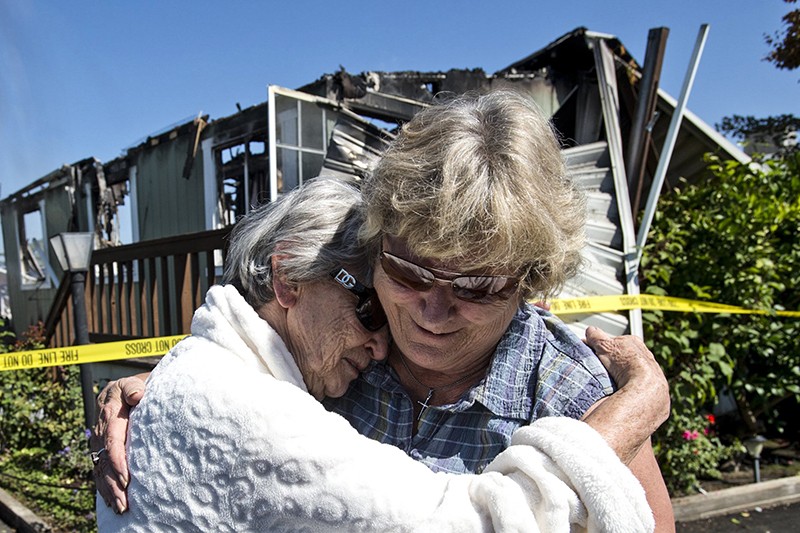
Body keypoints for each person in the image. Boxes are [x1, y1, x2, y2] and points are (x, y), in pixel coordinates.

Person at [94, 90, 673, 528]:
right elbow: (262, 387)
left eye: (474, 287)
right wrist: (164, 385)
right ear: (379, 249)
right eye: (407, 272)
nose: (432, 310)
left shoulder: (573, 392)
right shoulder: (352, 359)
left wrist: (619, 424)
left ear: (527, 282)